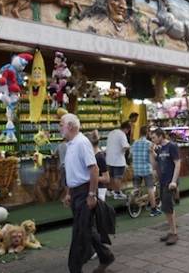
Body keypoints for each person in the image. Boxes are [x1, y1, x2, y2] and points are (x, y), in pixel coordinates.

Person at [62, 114, 114, 273]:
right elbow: (74, 172)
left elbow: (94, 169)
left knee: (79, 232)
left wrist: (91, 194)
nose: (59, 128)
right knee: (87, 230)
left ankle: (74, 268)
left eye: (61, 124)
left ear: (70, 126)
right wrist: (69, 193)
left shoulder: (82, 143)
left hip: (85, 192)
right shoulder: (71, 145)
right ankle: (106, 256)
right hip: (77, 192)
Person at [152, 128, 180, 245]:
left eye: (154, 137)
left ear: (160, 136)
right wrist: (150, 152)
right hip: (163, 181)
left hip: (170, 181)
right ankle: (171, 230)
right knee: (165, 208)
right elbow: (155, 165)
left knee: (168, 207)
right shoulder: (159, 149)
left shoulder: (172, 146)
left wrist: (174, 181)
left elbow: (178, 163)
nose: (152, 140)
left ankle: (174, 233)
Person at [131, 126, 161, 217]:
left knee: (136, 188)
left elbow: (130, 154)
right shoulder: (149, 144)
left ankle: (133, 205)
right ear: (148, 133)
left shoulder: (135, 143)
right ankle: (153, 209)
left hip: (136, 169)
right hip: (146, 169)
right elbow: (154, 155)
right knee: (150, 188)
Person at [105, 122, 131, 200]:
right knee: (118, 177)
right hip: (118, 160)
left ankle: (109, 191)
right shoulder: (122, 134)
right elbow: (125, 146)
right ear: (127, 129)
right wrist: (130, 147)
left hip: (109, 159)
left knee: (111, 176)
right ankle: (117, 193)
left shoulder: (112, 132)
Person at [88, 130, 110, 202]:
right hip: (91, 188)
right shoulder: (90, 155)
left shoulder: (100, 156)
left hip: (99, 189)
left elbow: (106, 178)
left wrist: (92, 178)